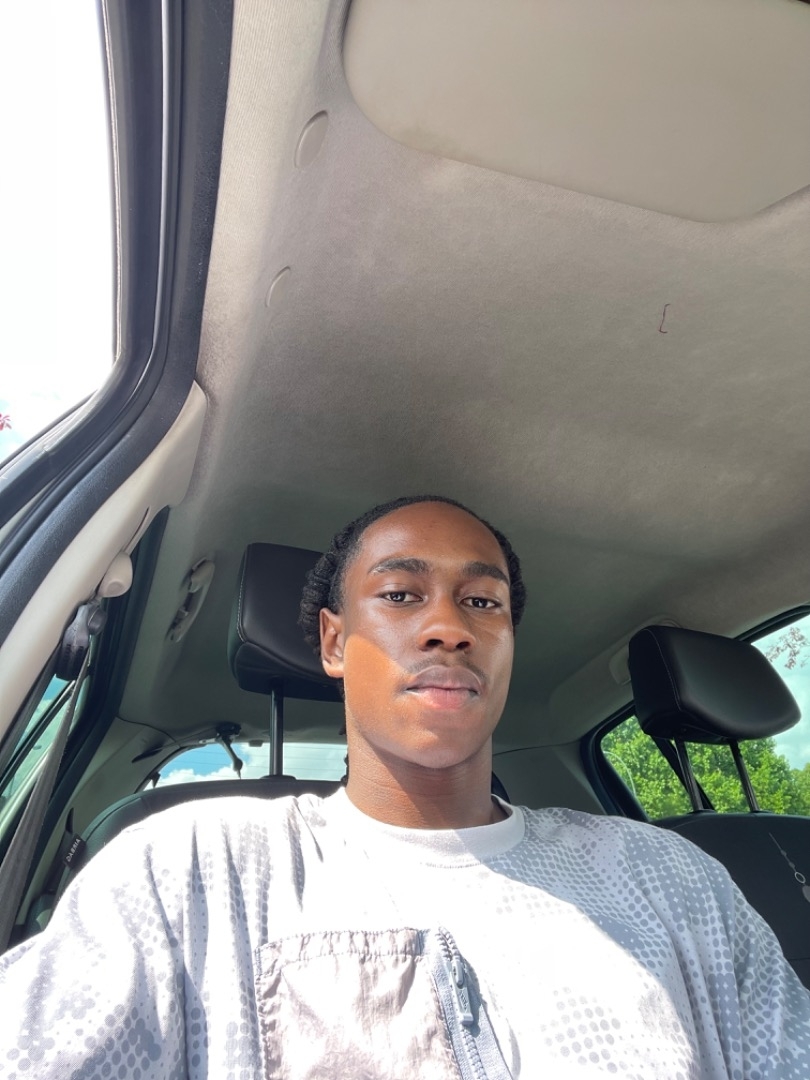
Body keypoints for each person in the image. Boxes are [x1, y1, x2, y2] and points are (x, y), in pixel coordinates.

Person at [1, 495, 809, 1079]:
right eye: (399, 595)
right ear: (333, 641)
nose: (449, 627)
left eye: (483, 602)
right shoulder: (191, 871)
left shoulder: (672, 877)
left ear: (508, 643)